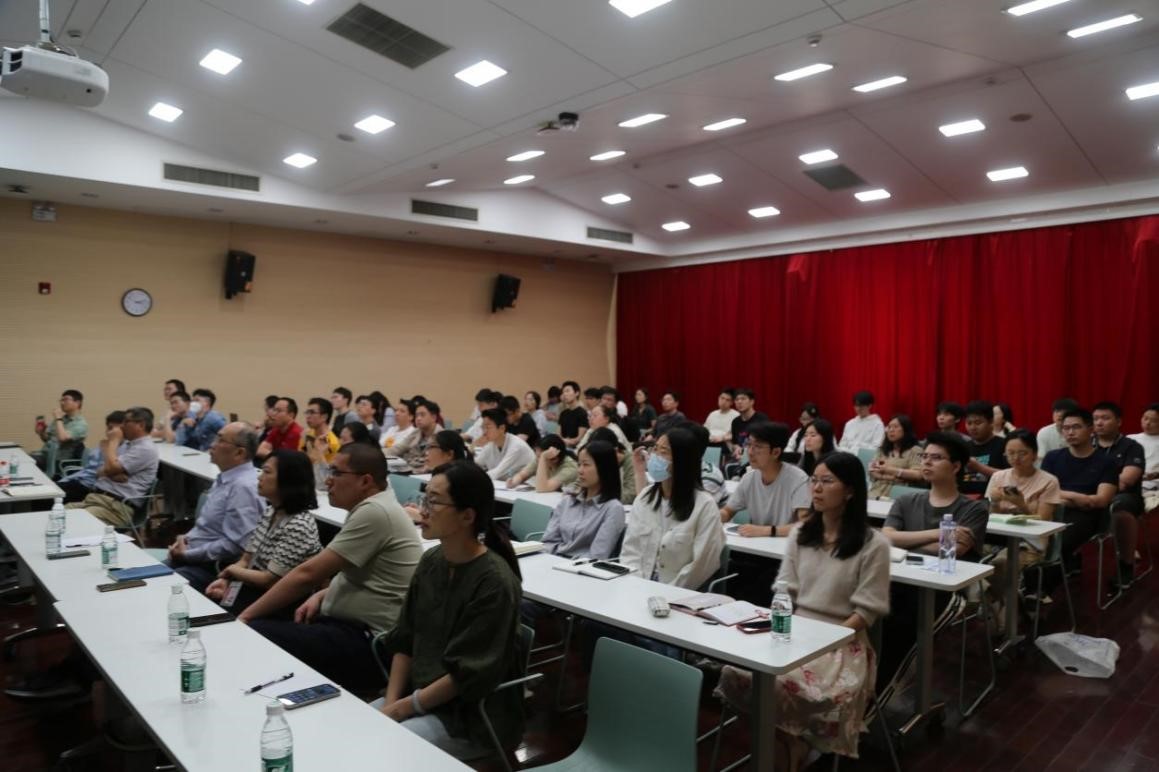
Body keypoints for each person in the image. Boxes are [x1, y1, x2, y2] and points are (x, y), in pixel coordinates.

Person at [715, 451, 891, 768]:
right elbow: (786, 590)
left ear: (850, 491)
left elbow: (866, 612)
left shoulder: (873, 544)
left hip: (841, 641)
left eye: (828, 481)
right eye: (814, 480)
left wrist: (822, 640)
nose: (817, 489)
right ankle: (790, 741)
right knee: (735, 672)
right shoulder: (801, 534)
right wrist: (780, 629)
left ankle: (792, 745)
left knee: (786, 684)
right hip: (796, 629)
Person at [241, 443, 423, 692]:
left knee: (257, 631)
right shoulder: (372, 506)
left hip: (370, 642)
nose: (328, 480)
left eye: (336, 472)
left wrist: (246, 617)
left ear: (365, 481)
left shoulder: (375, 511)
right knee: (273, 622)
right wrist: (322, 594)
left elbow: (308, 574)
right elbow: (360, 573)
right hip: (347, 628)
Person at [375, 461, 524, 760]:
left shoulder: (494, 582)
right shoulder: (432, 561)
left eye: (434, 501)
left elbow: (467, 674)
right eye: (424, 498)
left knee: (387, 750)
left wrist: (400, 710)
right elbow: (405, 639)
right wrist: (391, 704)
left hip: (469, 717)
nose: (422, 510)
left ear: (467, 516)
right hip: (419, 697)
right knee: (357, 728)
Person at [879, 432, 988, 683]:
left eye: (936, 458)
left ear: (956, 466)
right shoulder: (906, 500)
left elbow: (954, 550)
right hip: (901, 580)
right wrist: (939, 532)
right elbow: (886, 537)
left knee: (900, 629)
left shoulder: (974, 508)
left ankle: (891, 684)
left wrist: (905, 541)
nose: (926, 462)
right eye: (924, 457)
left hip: (944, 588)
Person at [205, 450, 322, 614]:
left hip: (278, 603)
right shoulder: (271, 511)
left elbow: (269, 580)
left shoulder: (298, 525)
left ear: (287, 480)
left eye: (267, 472)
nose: (259, 477)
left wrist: (231, 571)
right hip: (252, 588)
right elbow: (246, 559)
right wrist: (226, 580)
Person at [166, 423, 264, 592]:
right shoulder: (225, 478)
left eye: (220, 440)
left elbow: (236, 545)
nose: (212, 444)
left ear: (239, 453)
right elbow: (207, 528)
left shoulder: (243, 487)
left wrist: (188, 555)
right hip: (193, 557)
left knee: (159, 588)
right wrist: (185, 540)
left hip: (214, 569)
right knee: (144, 578)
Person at [622, 426, 723, 589]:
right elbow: (630, 550)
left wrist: (667, 592)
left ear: (683, 460)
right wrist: (634, 585)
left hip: (678, 593)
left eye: (664, 452)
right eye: (655, 449)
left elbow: (701, 565)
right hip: (637, 586)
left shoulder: (704, 506)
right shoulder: (645, 497)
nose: (655, 456)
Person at [983, 430, 1061, 625]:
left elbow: (1042, 522)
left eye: (1022, 453)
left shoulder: (1049, 481)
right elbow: (991, 517)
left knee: (1001, 564)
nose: (1015, 458)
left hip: (1030, 542)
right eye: (1010, 453)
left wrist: (1021, 505)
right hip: (997, 537)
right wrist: (994, 502)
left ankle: (995, 604)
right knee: (967, 558)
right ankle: (1006, 604)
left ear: (1034, 454)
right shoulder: (999, 477)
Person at [1041, 408, 1118, 585]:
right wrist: (1075, 497)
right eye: (1065, 428)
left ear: (1091, 429)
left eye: (1076, 427)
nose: (1070, 432)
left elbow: (1100, 500)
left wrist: (1060, 496)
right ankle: (1031, 588)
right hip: (1052, 509)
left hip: (1088, 517)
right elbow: (1043, 491)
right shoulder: (1053, 457)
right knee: (1027, 538)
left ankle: (1040, 591)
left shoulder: (1106, 462)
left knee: (1056, 543)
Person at [65, 407, 159, 528]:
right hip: (98, 500)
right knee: (60, 514)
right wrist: (113, 472)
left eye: (126, 422)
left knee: (72, 522)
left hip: (115, 508)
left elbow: (109, 468)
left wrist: (113, 442)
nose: (122, 426)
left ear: (141, 425)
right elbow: (100, 471)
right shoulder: (131, 445)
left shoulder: (145, 448)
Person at [720, 422, 811, 537]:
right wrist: (714, 517)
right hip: (756, 544)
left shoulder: (799, 480)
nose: (750, 452)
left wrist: (766, 531)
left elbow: (805, 525)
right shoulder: (749, 478)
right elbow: (727, 511)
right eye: (748, 444)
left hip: (785, 544)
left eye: (757, 447)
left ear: (776, 452)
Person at [1092, 401, 1147, 588]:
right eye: (1096, 419)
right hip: (1089, 495)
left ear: (1119, 421)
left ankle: (1126, 565)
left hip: (1126, 496)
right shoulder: (1086, 444)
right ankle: (1068, 560)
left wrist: (1095, 489)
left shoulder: (1131, 447)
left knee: (1118, 507)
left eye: (1105, 418)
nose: (1099, 423)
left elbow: (1125, 481)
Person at [542, 441, 626, 558]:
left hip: (580, 567)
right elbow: (548, 541)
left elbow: (597, 556)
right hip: (553, 561)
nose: (580, 471)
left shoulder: (613, 509)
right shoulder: (567, 502)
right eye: (579, 464)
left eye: (586, 465)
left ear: (604, 468)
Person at [59, 411, 126, 503]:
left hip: (89, 487)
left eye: (118, 429)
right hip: (77, 479)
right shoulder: (103, 444)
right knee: (47, 490)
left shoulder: (126, 448)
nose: (112, 432)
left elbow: (108, 474)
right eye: (110, 428)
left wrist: (107, 450)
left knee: (46, 499)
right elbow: (89, 469)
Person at [34, 389, 88, 474]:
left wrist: (58, 418)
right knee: (23, 459)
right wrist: (41, 432)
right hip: (45, 455)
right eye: (61, 400)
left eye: (65, 400)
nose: (62, 403)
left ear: (77, 403)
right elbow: (47, 439)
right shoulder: (61, 419)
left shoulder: (81, 424)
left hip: (58, 462)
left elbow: (62, 438)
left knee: (27, 462)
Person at [962, 400, 1009, 496]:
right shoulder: (962, 447)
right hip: (963, 498)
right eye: (969, 423)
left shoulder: (1004, 445)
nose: (973, 427)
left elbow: (1011, 477)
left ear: (991, 422)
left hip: (993, 498)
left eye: (978, 423)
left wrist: (979, 467)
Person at [868, 415, 923, 498]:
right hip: (876, 490)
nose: (891, 430)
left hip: (900, 493)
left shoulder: (915, 450)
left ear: (906, 430)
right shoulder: (882, 449)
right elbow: (872, 470)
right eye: (889, 427)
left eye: (895, 427)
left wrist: (890, 470)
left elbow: (918, 474)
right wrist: (888, 477)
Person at [476, 408, 535, 482]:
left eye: (488, 427)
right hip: (507, 485)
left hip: (529, 486)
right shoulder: (491, 444)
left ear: (502, 428)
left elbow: (497, 473)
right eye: (483, 427)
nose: (484, 432)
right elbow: (476, 464)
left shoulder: (516, 446)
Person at [506, 434, 578, 493]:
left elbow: (542, 488)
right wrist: (514, 482)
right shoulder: (540, 459)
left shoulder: (570, 467)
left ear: (554, 458)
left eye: (541, 456)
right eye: (537, 456)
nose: (537, 460)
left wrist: (543, 458)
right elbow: (522, 475)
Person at [587, 426, 637, 505]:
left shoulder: (632, 461)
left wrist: (600, 500)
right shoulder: (594, 462)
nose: (597, 459)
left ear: (615, 450)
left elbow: (631, 494)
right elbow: (579, 485)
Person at [1128, 403, 1159, 513]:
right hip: (1131, 485)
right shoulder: (1130, 440)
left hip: (1154, 487)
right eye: (1145, 418)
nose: (1147, 423)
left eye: (1154, 421)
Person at [257, 397, 303, 462]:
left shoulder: (297, 433)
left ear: (291, 415)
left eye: (279, 411)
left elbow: (286, 460)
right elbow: (260, 450)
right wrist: (276, 455)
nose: (274, 414)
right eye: (274, 410)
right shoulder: (276, 429)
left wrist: (271, 454)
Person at [728, 388, 768, 460]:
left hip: (758, 458)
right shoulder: (735, 422)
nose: (739, 402)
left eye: (743, 399)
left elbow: (765, 444)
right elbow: (735, 443)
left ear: (752, 402)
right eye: (737, 399)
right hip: (740, 458)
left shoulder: (762, 419)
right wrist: (736, 448)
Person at [404, 401, 443, 473]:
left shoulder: (441, 436)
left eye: (422, 415)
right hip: (411, 469)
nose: (418, 418)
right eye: (416, 415)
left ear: (433, 417)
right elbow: (400, 447)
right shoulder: (416, 432)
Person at [557, 381, 589, 449]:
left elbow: (579, 438)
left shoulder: (582, 413)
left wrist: (566, 441)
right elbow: (558, 434)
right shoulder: (563, 413)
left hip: (576, 448)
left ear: (577, 393)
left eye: (567, 391)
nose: (564, 394)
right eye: (563, 392)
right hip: (563, 446)